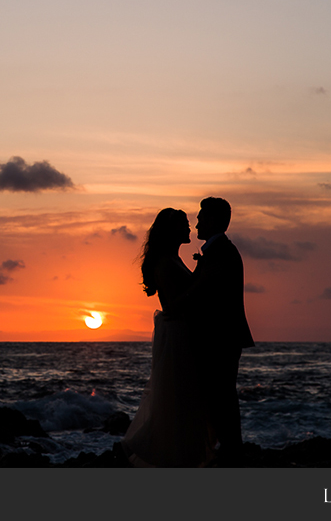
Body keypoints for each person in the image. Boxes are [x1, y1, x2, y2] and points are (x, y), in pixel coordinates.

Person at [120, 208, 216, 467]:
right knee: (178, 397)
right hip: (177, 336)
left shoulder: (174, 258)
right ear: (171, 230)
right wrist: (201, 281)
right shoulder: (165, 262)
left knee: (186, 398)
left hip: (183, 333)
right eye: (184, 225)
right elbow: (172, 306)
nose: (188, 229)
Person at [182, 197, 255, 466]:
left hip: (220, 338)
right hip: (220, 337)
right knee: (220, 395)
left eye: (201, 217)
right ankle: (229, 449)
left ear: (213, 220)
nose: (197, 222)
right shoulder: (218, 251)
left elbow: (204, 294)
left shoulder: (222, 252)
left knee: (222, 396)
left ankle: (232, 452)